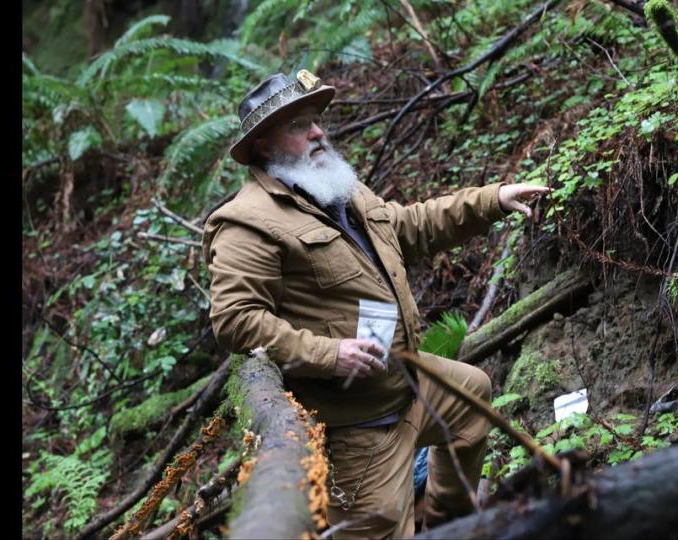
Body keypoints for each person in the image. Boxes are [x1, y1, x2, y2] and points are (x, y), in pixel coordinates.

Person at [203, 70, 549, 538]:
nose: (318, 131)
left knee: (471, 399)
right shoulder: (248, 223)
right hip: (356, 425)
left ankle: (451, 526)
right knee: (379, 529)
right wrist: (331, 354)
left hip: (403, 382)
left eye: (316, 120)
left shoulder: (336, 188)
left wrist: (493, 199)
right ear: (263, 145)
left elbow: (409, 227)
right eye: (299, 125)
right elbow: (236, 321)